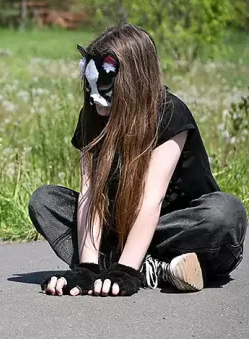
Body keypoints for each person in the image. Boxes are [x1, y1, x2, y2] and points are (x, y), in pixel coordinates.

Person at [28, 23, 247, 297]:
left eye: (105, 87)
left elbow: (150, 200)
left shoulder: (169, 113)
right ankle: (157, 269)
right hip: (121, 229)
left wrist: (125, 272)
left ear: (133, 81)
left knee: (225, 212)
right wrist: (86, 268)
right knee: (45, 200)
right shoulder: (93, 117)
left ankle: (135, 266)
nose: (95, 98)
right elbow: (90, 197)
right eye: (90, 86)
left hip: (178, 231)